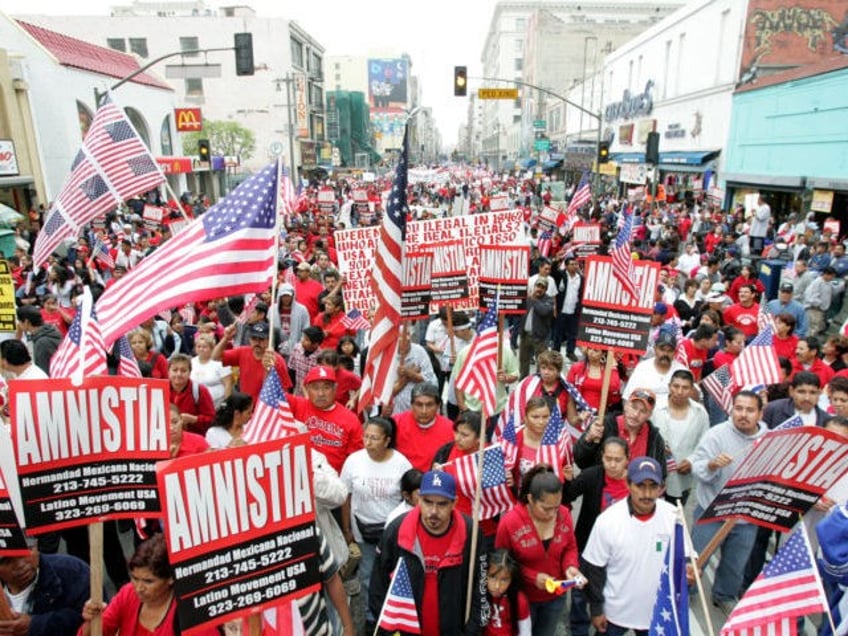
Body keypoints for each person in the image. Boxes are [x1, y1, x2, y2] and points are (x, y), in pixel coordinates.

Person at [580, 456, 690, 635]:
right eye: (640, 486)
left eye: (653, 486)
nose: (647, 494)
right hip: (614, 611)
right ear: (628, 484)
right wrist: (596, 609)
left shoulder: (674, 517)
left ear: (662, 488)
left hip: (657, 611)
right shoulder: (608, 521)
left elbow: (685, 556)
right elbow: (594, 568)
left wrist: (690, 568)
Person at [369, 470, 486, 635]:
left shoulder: (471, 533)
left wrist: (472, 632)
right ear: (418, 499)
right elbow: (377, 589)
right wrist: (391, 632)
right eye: (427, 502)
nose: (433, 511)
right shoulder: (396, 531)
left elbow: (481, 589)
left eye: (442, 504)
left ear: (454, 503)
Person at [690, 390, 768, 614]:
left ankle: (724, 595)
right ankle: (687, 590)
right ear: (732, 409)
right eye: (739, 408)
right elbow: (697, 467)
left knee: (736, 563)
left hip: (745, 515)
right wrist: (712, 465)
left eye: (750, 410)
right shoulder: (716, 434)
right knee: (696, 557)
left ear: (760, 413)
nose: (743, 414)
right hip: (712, 509)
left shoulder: (769, 439)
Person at [495, 465, 584, 636]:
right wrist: (532, 577)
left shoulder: (564, 515)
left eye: (556, 507)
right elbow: (502, 562)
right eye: (546, 508)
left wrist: (570, 566)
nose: (552, 514)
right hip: (522, 598)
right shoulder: (510, 522)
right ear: (530, 499)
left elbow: (570, 547)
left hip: (555, 597)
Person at [340, 417, 412, 627]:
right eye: (366, 437)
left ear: (387, 440)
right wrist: (346, 529)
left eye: (375, 438)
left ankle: (393, 619)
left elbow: (410, 496)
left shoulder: (401, 463)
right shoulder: (353, 461)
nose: (368, 442)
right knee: (366, 576)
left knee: (392, 575)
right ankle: (371, 619)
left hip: (392, 533)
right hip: (363, 531)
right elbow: (346, 496)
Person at [79, 534, 219, 636]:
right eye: (134, 578)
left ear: (170, 579)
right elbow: (97, 632)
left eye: (148, 581)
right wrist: (92, 620)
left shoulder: (191, 614)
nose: (139, 588)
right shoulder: (128, 593)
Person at [562, 437, 630, 636]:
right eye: (608, 458)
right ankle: (578, 628)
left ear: (627, 459)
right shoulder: (592, 475)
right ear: (602, 457)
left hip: (619, 551)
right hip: (587, 544)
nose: (612, 464)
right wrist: (567, 482)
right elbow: (568, 496)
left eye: (618, 460)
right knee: (579, 592)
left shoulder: (635, 481)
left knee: (609, 591)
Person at [0, 538, 89, 636]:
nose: (20, 565)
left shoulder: (73, 573)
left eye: (25, 552)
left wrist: (36, 625)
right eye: (7, 560)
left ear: (36, 545)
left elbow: (97, 622)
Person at [574, 389, 668, 481]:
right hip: (602, 493)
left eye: (643, 411)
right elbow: (580, 461)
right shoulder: (603, 425)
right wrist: (588, 439)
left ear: (649, 415)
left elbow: (661, 474)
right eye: (634, 407)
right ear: (626, 405)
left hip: (634, 495)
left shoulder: (655, 438)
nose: (636, 414)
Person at [649, 369, 709, 505]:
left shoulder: (700, 413)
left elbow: (705, 444)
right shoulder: (655, 408)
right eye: (676, 386)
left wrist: (691, 461)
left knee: (675, 518)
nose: (680, 391)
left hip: (682, 479)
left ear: (692, 389)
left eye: (685, 387)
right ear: (669, 386)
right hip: (653, 476)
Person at [288, 365, 363, 473]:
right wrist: (268, 369)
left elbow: (356, 458)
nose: (321, 393)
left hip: (332, 482)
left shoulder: (351, 419)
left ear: (335, 388)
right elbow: (268, 399)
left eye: (326, 387)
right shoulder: (296, 405)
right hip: (300, 476)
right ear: (307, 389)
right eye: (315, 387)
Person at [212, 320, 293, 403]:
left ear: (269, 340)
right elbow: (215, 357)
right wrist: (226, 338)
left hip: (265, 407)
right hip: (245, 408)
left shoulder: (277, 360)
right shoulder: (242, 352)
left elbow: (285, 390)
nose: (257, 342)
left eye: (261, 339)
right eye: (254, 338)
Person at [393, 382, 455, 473]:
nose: (424, 411)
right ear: (412, 405)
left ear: (438, 406)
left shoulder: (451, 429)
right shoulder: (395, 423)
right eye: (419, 405)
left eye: (429, 405)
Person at [621, 332, 686, 402]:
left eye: (670, 351)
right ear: (655, 349)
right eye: (662, 349)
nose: (665, 354)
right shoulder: (642, 368)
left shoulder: (682, 370)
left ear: (675, 352)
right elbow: (627, 397)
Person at [483, 549, 531, 636]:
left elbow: (525, 632)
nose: (497, 586)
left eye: (504, 580)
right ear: (484, 574)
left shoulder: (519, 600)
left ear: (512, 579)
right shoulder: (479, 594)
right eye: (493, 577)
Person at [388, 331, 437, 415]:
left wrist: (409, 373)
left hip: (420, 409)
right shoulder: (387, 355)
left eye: (407, 334)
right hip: (396, 410)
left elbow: (431, 382)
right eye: (400, 336)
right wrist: (408, 376)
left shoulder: (419, 351)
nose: (406, 338)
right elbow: (389, 392)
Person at [167, 353, 216, 436]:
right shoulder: (160, 390)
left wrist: (194, 419)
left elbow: (212, 419)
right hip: (166, 439)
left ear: (190, 373)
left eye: (183, 371)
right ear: (168, 372)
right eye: (175, 370)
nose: (179, 374)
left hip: (193, 439)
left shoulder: (200, 390)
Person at [566, 347, 622, 412]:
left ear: (603, 354)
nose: (591, 352)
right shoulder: (577, 367)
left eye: (596, 350)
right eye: (589, 348)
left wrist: (613, 368)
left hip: (600, 414)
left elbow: (614, 388)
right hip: (579, 412)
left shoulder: (608, 370)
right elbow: (568, 390)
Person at [519, 278, 555, 378]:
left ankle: (539, 383)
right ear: (534, 286)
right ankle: (523, 381)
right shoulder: (528, 299)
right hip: (525, 336)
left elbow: (543, 311)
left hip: (539, 338)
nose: (539, 289)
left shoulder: (549, 300)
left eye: (542, 287)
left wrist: (534, 300)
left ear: (546, 289)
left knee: (541, 363)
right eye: (538, 286)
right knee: (523, 362)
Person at [190, 333, 233, 408]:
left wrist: (226, 405)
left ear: (212, 348)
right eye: (198, 346)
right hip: (196, 405)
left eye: (204, 347)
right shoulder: (191, 362)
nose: (201, 349)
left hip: (217, 406)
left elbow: (228, 384)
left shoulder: (220, 363)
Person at [16, 305, 62, 375]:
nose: (18, 324)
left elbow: (43, 372)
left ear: (26, 322)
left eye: (19, 321)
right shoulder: (51, 330)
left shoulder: (41, 343)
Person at [552, 257, 582, 360]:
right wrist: (556, 259)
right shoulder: (561, 275)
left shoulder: (581, 278)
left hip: (574, 311)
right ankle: (556, 352)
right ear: (566, 266)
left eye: (576, 264)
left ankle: (570, 352)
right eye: (572, 264)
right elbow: (552, 270)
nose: (574, 266)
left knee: (573, 333)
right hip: (562, 310)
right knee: (558, 333)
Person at [271, 282, 310, 358]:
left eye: (288, 296)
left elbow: (306, 328)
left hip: (296, 347)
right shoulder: (272, 310)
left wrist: (301, 345)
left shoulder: (302, 310)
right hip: (276, 347)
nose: (286, 298)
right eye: (284, 296)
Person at [804, 266, 843, 337]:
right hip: (814, 310)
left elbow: (834, 291)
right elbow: (812, 297)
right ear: (826, 274)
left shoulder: (828, 283)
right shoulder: (817, 282)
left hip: (821, 311)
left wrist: (843, 284)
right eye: (832, 276)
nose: (832, 278)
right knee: (813, 329)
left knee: (819, 328)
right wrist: (821, 305)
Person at [288, 326, 326, 394]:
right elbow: (291, 369)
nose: (303, 340)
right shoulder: (297, 349)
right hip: (298, 392)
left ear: (315, 344)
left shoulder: (321, 358)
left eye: (306, 339)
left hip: (312, 394)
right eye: (303, 337)